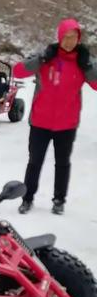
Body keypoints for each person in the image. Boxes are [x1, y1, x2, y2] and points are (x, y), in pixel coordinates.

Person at [14, 18, 97, 215]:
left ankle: (59, 199)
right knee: (34, 161)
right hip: (40, 122)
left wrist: (88, 66)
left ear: (79, 39)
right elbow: (18, 71)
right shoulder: (46, 57)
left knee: (62, 163)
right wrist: (41, 58)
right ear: (59, 37)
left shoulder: (82, 61)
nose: (70, 41)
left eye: (74, 37)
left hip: (66, 124)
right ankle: (27, 197)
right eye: (66, 37)